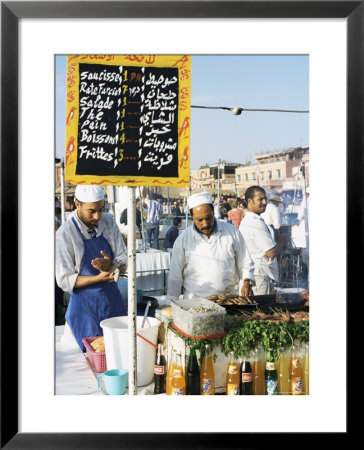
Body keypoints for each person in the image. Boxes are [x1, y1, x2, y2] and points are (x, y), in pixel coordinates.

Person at [55, 185, 127, 351]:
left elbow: (123, 257)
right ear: (77, 204)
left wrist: (112, 265)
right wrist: (97, 278)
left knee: (119, 352)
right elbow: (65, 279)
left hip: (112, 302)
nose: (98, 216)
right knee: (89, 358)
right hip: (84, 309)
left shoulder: (108, 222)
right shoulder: (65, 234)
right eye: (92, 211)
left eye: (101, 209)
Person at [167, 192, 255, 300]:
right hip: (195, 302)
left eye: (208, 218)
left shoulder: (232, 232)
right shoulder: (182, 240)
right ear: (192, 217)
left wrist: (247, 281)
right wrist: (171, 302)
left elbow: (245, 261)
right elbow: (175, 277)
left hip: (229, 300)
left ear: (213, 212)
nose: (205, 224)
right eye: (199, 220)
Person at [239, 186, 289, 295]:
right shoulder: (254, 223)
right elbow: (271, 253)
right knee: (262, 311)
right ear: (249, 201)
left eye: (265, 199)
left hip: (257, 275)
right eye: (260, 199)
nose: (265, 202)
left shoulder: (252, 220)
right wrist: (282, 240)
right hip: (260, 276)